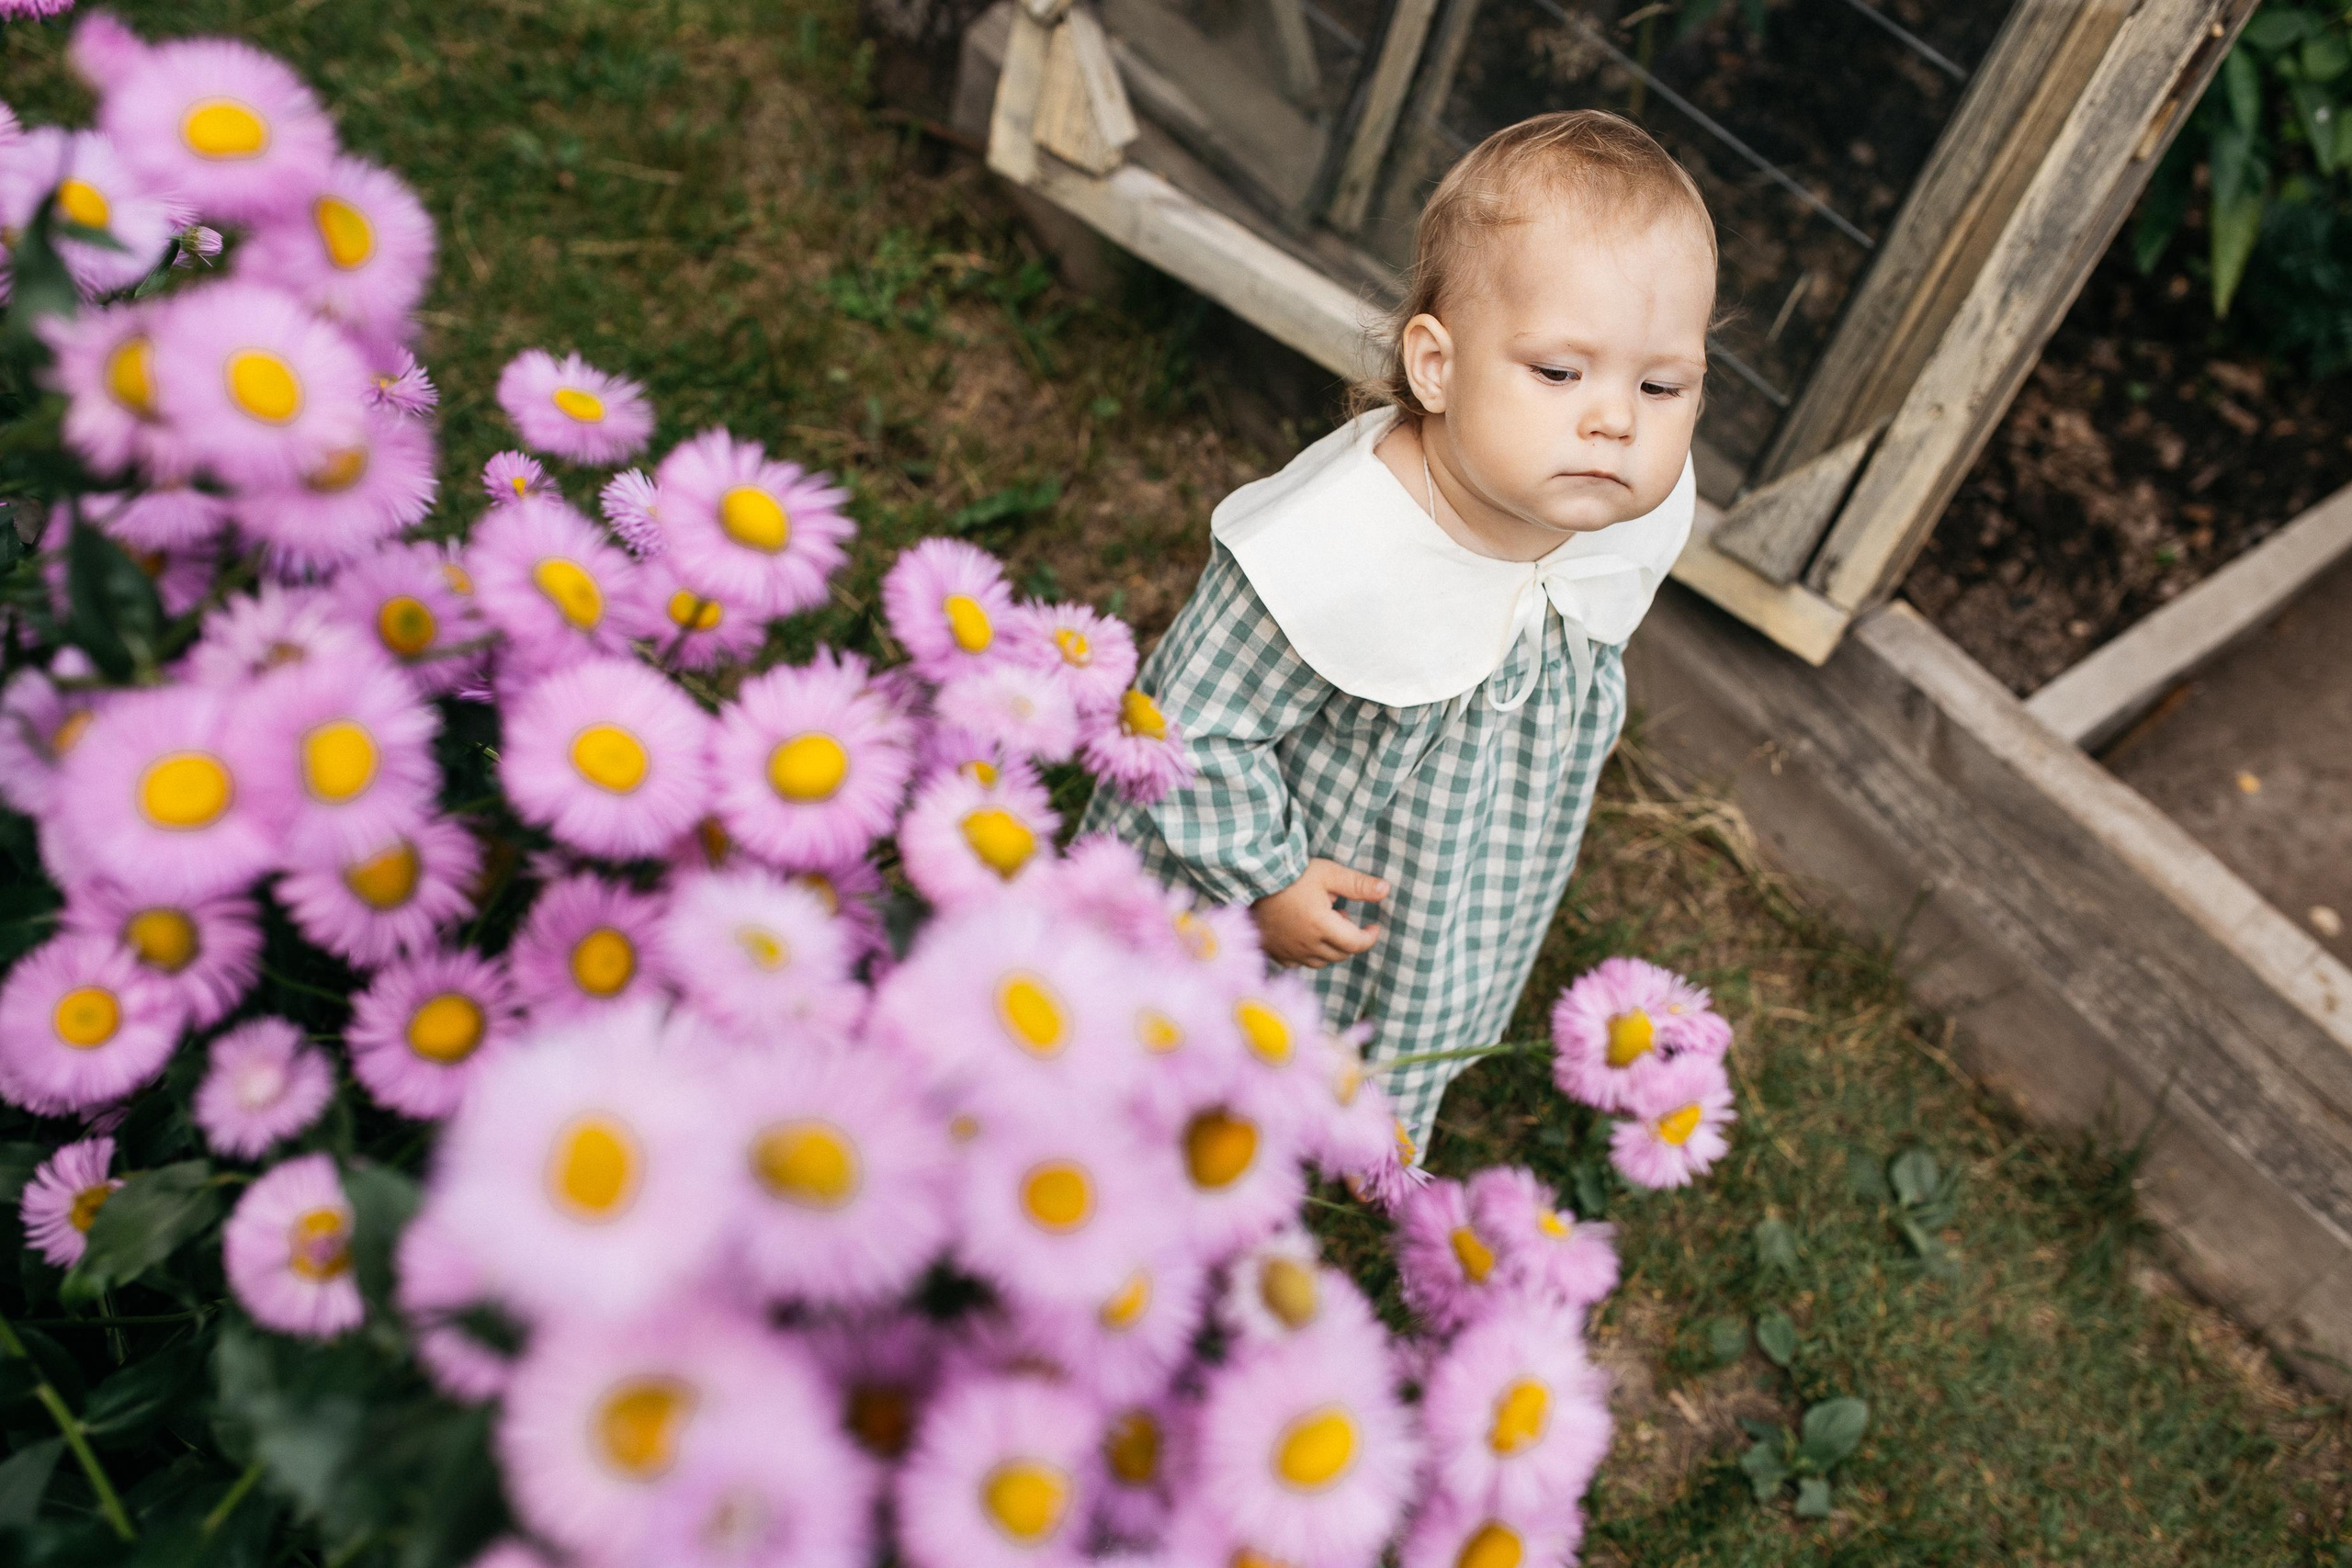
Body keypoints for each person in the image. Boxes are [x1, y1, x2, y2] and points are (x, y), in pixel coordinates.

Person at [1077, 108, 1721, 1163]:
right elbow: (1181, 726)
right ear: (1435, 365)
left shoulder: (1612, 512)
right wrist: (1265, 880)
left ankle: (1352, 1118)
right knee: (1183, 1044)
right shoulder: (1338, 550)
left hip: (1451, 871)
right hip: (1285, 875)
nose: (1617, 420)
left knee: (1402, 1001)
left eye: (1662, 386)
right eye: (1560, 373)